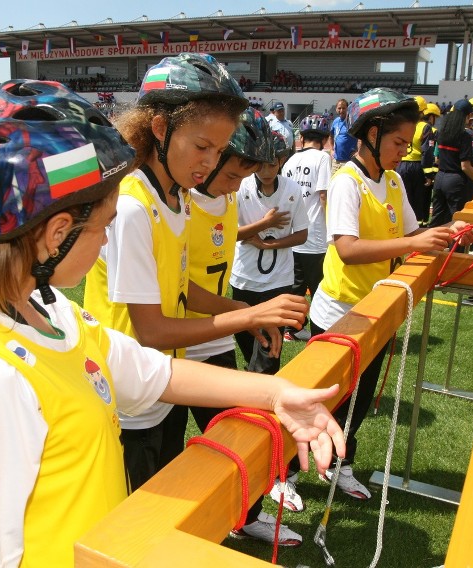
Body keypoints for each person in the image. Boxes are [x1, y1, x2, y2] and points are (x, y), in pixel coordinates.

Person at [0, 79, 346, 567]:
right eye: (102, 225)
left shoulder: (52, 313)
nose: (105, 242)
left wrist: (275, 395)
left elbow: (152, 372)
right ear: (58, 232)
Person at [83, 54, 309, 494]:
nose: (210, 162)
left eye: (219, 151)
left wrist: (249, 309)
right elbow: (149, 330)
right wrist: (245, 318)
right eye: (202, 146)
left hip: (161, 389)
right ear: (161, 128)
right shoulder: (132, 206)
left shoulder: (177, 196)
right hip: (127, 404)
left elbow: (181, 286)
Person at [307, 89, 473, 500]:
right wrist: (411, 244)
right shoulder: (346, 181)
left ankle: (342, 463)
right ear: (371, 134)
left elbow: (410, 233)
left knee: (360, 400)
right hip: (338, 313)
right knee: (323, 403)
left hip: (377, 311)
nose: (405, 150)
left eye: (408, 142)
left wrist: (442, 232)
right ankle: (285, 476)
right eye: (399, 142)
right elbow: (347, 249)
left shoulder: (395, 180)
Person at [186, 108, 305, 546]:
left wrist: (244, 314)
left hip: (212, 334)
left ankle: (246, 514)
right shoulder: (179, 202)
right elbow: (181, 290)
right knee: (159, 457)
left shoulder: (225, 197)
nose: (239, 186)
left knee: (239, 435)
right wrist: (248, 313)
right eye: (234, 174)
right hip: (169, 346)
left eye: (244, 176)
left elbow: (224, 244)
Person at [230, 130, 308, 372]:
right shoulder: (240, 188)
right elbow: (228, 234)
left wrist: (268, 244)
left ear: (282, 161)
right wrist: (265, 224)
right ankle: (253, 378)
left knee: (269, 353)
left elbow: (302, 234)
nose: (267, 171)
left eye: (272, 164)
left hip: (278, 280)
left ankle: (261, 392)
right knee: (247, 339)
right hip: (245, 278)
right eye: (261, 164)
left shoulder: (293, 190)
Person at [281, 113, 333, 342]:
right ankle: (317, 332)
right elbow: (323, 194)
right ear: (325, 138)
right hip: (316, 235)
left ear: (301, 137)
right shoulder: (322, 158)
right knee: (320, 288)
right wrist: (332, 226)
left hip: (294, 235)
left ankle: (290, 330)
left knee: (296, 286)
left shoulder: (291, 160)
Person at [428, 98, 473, 227]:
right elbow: (465, 166)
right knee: (456, 219)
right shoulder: (464, 136)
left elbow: (437, 158)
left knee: (437, 218)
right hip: (456, 181)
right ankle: (455, 247)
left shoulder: (442, 132)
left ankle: (428, 246)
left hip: (440, 178)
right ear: (467, 115)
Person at [396, 95, 434, 226]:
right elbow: (427, 152)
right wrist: (428, 175)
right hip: (416, 166)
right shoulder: (425, 127)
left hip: (401, 165)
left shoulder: (403, 124)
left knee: (403, 199)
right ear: (423, 111)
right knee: (418, 201)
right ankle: (417, 229)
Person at [330, 98, 358, 175]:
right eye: (339, 108)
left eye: (343, 108)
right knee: (333, 183)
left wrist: (357, 151)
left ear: (347, 109)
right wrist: (331, 149)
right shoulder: (335, 121)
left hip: (348, 161)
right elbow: (331, 135)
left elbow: (360, 136)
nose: (341, 110)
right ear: (336, 109)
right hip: (336, 161)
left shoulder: (352, 122)